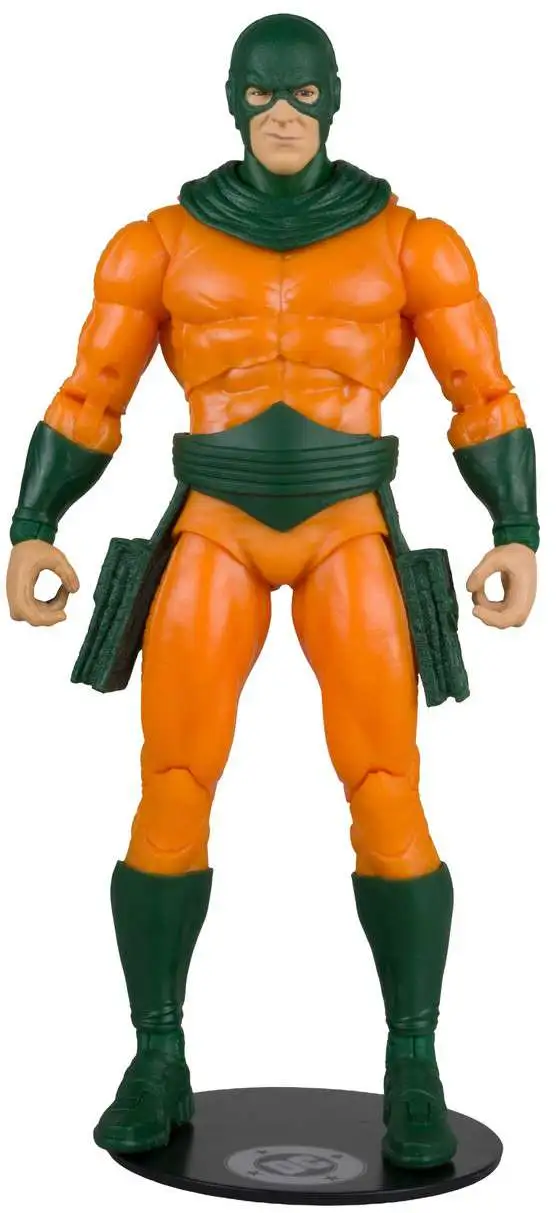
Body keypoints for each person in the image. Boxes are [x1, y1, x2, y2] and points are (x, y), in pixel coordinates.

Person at [6, 13, 538, 1170]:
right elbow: (92, 389)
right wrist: (36, 523)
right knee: (172, 782)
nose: (283, 114)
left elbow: (481, 390)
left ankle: (414, 1062)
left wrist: (517, 530)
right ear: (232, 99)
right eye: (261, 93)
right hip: (216, 527)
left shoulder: (412, 243)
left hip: (350, 527)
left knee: (387, 786)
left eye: (302, 94)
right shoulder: (158, 244)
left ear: (335, 98)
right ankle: (156, 1055)